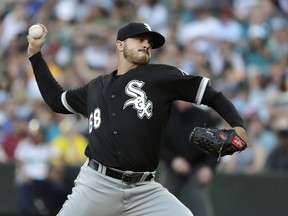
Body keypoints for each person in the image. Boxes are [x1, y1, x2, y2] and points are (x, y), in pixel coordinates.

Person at [27, 22, 247, 216]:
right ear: (120, 44)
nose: (146, 45)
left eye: (149, 42)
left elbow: (211, 94)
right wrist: (35, 57)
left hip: (144, 189)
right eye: (140, 39)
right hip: (96, 185)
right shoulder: (95, 87)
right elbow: (56, 100)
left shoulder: (161, 76)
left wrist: (238, 125)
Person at [160, 101, 219, 216]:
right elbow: (158, 145)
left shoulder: (203, 116)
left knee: (199, 199)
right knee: (164, 198)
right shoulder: (165, 115)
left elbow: (216, 146)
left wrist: (209, 167)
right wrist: (173, 160)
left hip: (199, 165)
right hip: (173, 166)